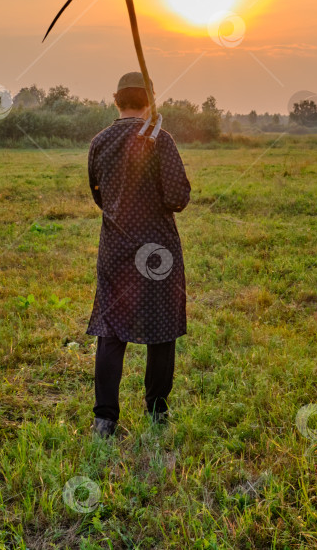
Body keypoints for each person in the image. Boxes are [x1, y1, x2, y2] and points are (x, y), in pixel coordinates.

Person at [86, 72, 191, 437]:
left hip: (115, 249)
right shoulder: (161, 140)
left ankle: (104, 421)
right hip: (158, 251)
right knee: (162, 331)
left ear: (117, 100)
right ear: (150, 101)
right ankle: (157, 413)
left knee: (111, 332)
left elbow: (99, 196)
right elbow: (178, 198)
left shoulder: (100, 142)